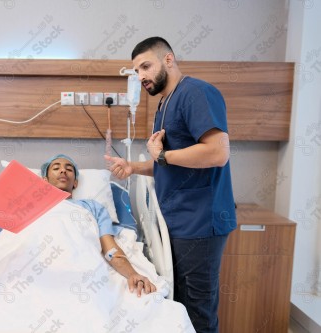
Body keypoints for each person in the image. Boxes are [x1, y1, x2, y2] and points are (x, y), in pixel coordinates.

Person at [105, 37, 237, 332]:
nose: (141, 77)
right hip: (179, 221)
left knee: (198, 311)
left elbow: (218, 153)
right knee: (182, 308)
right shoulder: (164, 103)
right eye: (136, 71)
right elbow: (170, 163)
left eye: (146, 66)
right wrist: (135, 166)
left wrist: (163, 154)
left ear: (168, 59)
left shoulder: (196, 94)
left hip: (200, 221)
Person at [40, 154, 158, 297]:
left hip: (80, 265)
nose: (63, 171)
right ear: (45, 181)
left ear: (75, 183)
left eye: (69, 169)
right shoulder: (29, 207)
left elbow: (110, 249)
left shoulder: (92, 207)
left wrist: (132, 274)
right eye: (56, 168)